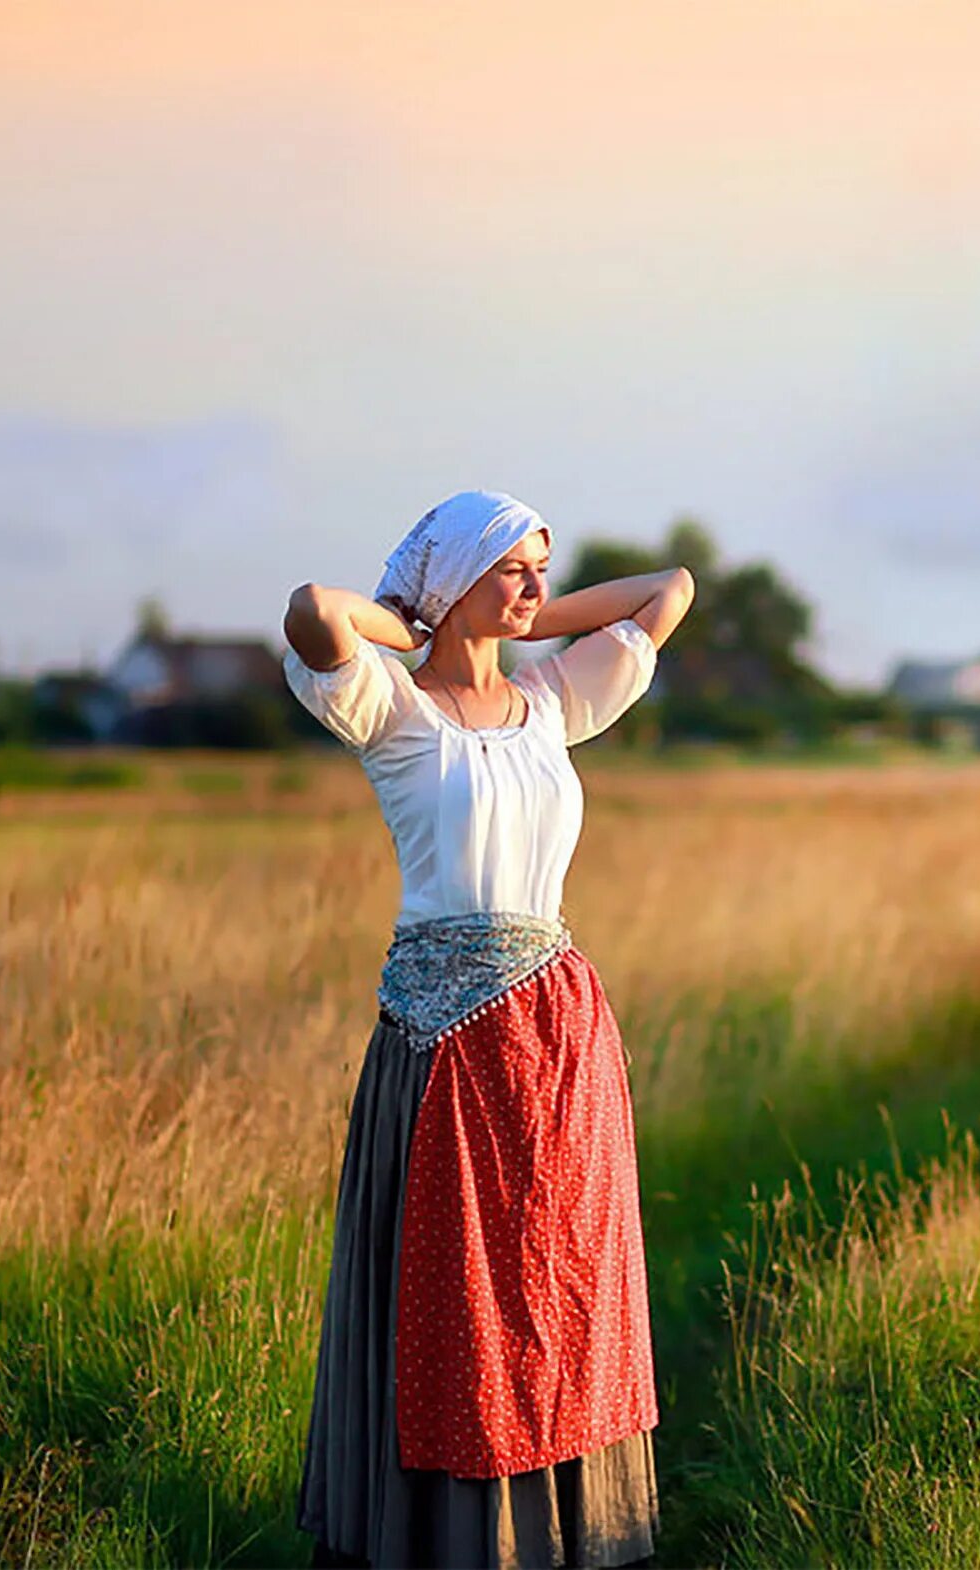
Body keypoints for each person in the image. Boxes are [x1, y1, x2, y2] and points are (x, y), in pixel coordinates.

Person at [281, 490, 694, 1569]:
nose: (539, 588)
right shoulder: (392, 709)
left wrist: (520, 619)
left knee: (561, 1288)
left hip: (560, 1039)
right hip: (441, 1042)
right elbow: (314, 611)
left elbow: (668, 591)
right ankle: (444, 1540)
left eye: (544, 569)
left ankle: (558, 1534)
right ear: (456, 574)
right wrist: (417, 623)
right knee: (458, 1300)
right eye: (516, 566)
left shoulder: (553, 700)